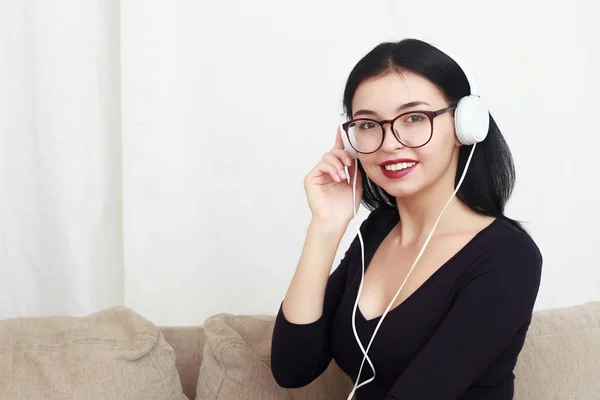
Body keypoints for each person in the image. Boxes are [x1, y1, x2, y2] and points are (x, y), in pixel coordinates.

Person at [270, 38, 543, 399]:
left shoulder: (509, 257)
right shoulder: (378, 230)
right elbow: (293, 368)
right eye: (368, 124)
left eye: (415, 118)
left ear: (465, 125)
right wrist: (325, 226)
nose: (389, 142)